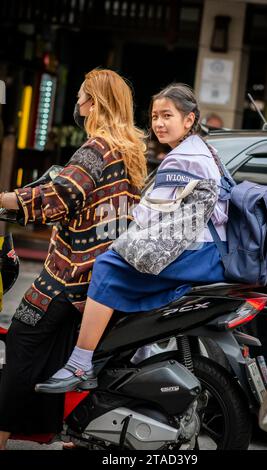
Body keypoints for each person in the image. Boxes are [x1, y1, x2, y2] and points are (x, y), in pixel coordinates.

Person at [37, 83, 229, 395]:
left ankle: (80, 362)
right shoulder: (203, 149)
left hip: (197, 250)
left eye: (168, 116)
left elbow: (150, 217)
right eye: (155, 116)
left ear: (189, 120)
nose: (159, 123)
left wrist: (120, 237)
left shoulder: (182, 159)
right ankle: (141, 349)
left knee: (108, 266)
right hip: (208, 248)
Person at [0, 68, 147, 450]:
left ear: (94, 103)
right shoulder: (130, 152)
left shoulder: (96, 149)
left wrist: (5, 199)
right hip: (101, 277)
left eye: (81, 96)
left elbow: (58, 197)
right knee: (58, 352)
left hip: (67, 275)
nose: (77, 103)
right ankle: (50, 430)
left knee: (22, 343)